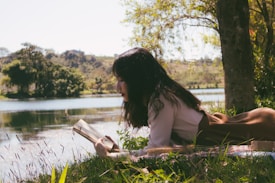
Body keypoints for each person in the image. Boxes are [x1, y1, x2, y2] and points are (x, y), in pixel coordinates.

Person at [94, 47, 275, 157]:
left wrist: (121, 154)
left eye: (122, 80)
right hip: (240, 125)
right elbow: (160, 145)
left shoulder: (161, 99)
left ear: (137, 79)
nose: (117, 87)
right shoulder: (158, 96)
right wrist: (120, 151)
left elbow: (157, 149)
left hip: (257, 127)